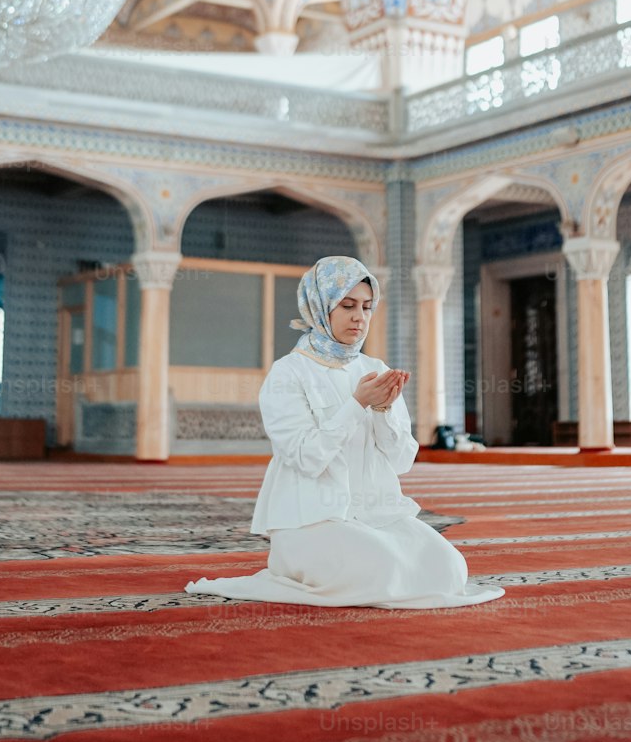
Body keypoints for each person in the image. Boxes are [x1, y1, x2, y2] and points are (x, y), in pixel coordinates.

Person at [185, 255, 505, 609]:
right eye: (347, 305)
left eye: (367, 307)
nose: (359, 317)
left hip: (373, 515)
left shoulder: (374, 369)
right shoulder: (288, 374)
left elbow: (401, 462)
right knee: (385, 571)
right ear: (320, 307)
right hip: (310, 520)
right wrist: (356, 404)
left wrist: (383, 410)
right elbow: (307, 458)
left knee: (449, 568)